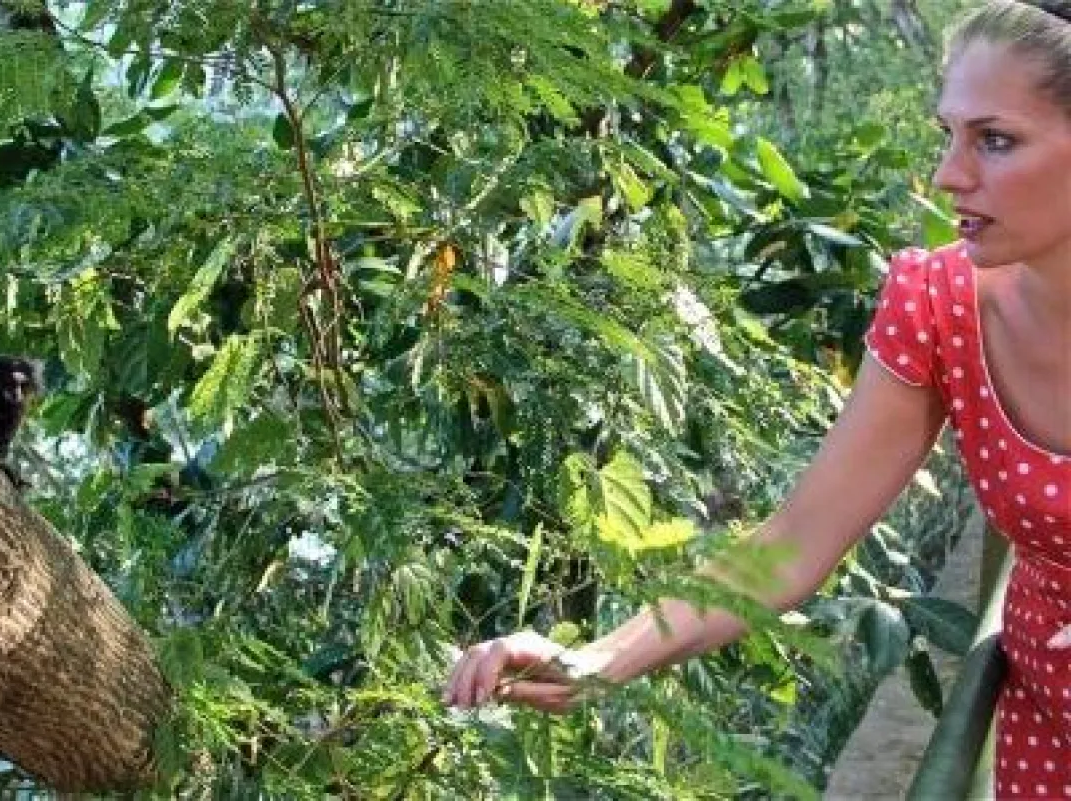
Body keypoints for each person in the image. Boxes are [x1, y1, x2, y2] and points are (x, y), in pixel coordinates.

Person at [443, 1, 1071, 797]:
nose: (950, 173)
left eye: (995, 139)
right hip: (1050, 744)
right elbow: (794, 540)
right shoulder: (941, 303)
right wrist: (603, 658)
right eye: (947, 134)